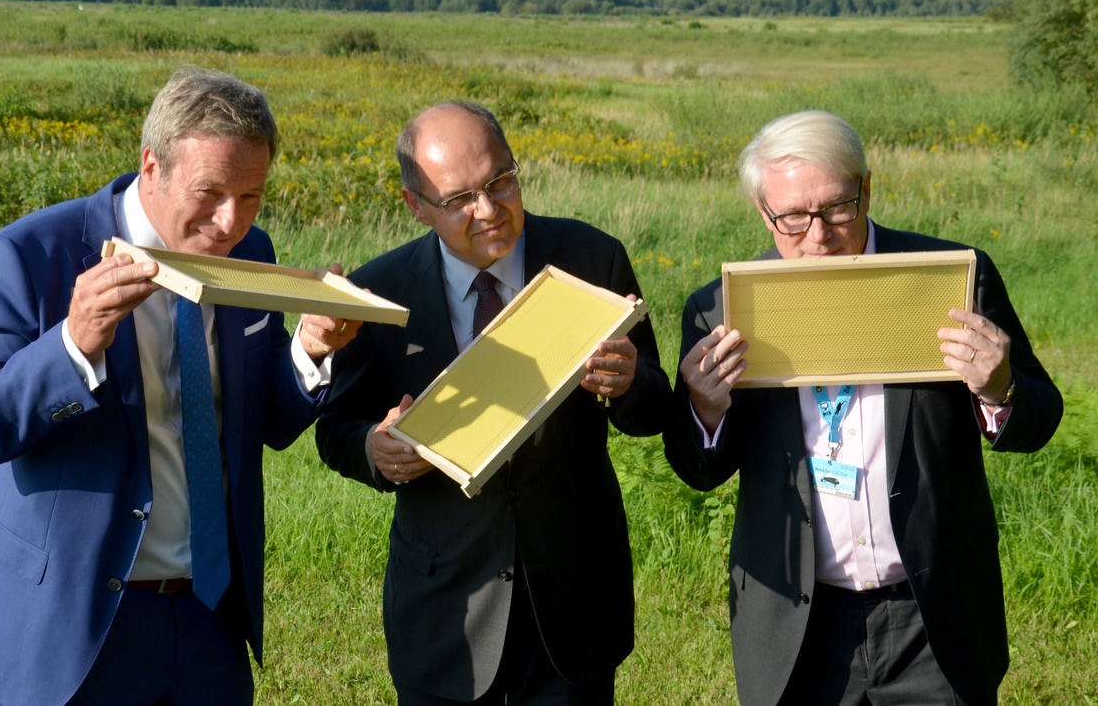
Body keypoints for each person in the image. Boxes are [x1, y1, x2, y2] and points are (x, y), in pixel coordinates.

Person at [0, 66, 362, 706]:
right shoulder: (29, 254)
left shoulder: (251, 252)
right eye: (210, 192)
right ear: (151, 166)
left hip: (211, 614)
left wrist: (310, 349)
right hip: (69, 628)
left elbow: (263, 421)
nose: (229, 222)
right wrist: (71, 346)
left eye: (252, 197)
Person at [663, 109, 1063, 706]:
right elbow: (698, 468)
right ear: (762, 212)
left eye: (836, 209)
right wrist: (704, 409)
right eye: (793, 219)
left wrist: (998, 388)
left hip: (931, 615)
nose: (818, 237)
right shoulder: (722, 309)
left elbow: (1039, 418)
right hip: (797, 623)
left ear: (867, 189)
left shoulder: (953, 281)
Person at [315, 101, 672, 705]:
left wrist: (630, 383)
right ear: (416, 207)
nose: (488, 210)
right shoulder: (378, 292)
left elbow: (654, 407)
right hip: (444, 603)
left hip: (574, 596)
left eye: (500, 181)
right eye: (458, 200)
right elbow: (336, 430)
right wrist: (376, 451)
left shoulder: (591, 258)